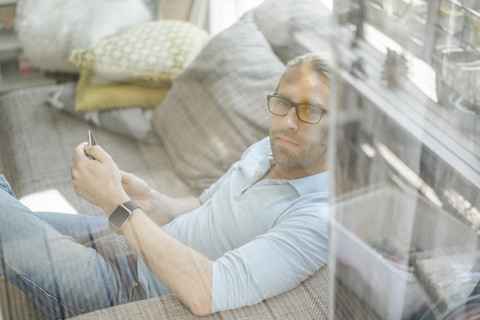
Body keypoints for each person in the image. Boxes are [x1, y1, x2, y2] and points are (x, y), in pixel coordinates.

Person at [0, 52, 330, 318]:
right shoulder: (269, 149)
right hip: (132, 243)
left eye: (310, 110)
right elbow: (206, 205)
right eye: (283, 103)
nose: (287, 122)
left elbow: (208, 292)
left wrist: (116, 203)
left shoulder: (316, 220)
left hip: (126, 289)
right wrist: (151, 201)